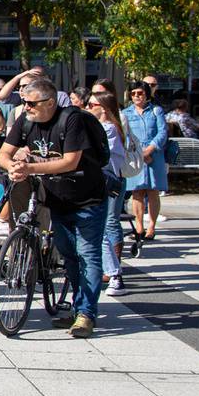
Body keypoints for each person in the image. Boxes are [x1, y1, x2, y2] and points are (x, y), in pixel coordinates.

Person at [0, 74, 112, 337]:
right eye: (24, 102)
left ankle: (86, 314)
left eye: (31, 103)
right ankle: (76, 308)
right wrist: (14, 169)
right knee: (68, 254)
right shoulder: (25, 121)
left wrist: (31, 168)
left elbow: (70, 161)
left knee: (88, 254)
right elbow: (4, 153)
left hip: (88, 199)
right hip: (57, 199)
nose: (26, 107)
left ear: (50, 102)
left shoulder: (71, 120)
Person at [89, 89, 130, 296]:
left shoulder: (109, 129)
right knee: (101, 228)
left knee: (106, 226)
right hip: (97, 181)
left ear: (103, 109)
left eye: (91, 105)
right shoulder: (99, 126)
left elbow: (97, 154)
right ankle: (111, 272)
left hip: (106, 182)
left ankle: (114, 275)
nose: (87, 108)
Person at [121, 82, 169, 243]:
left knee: (153, 191)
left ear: (147, 94)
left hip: (154, 155)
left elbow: (162, 132)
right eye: (133, 93)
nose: (136, 96)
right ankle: (139, 226)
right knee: (137, 191)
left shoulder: (156, 111)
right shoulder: (125, 113)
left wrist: (151, 149)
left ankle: (151, 227)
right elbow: (125, 135)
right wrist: (139, 153)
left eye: (140, 93)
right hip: (135, 155)